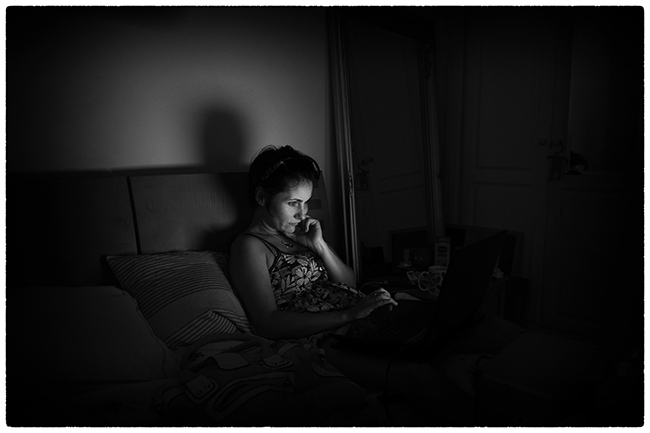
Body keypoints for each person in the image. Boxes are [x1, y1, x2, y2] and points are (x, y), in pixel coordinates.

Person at [229, 145, 398, 341]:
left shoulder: (300, 234)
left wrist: (320, 245)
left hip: (357, 322)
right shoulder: (249, 246)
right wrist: (349, 315)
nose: (302, 214)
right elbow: (269, 324)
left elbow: (350, 284)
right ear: (261, 197)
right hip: (328, 338)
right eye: (293, 203)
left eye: (305, 202)